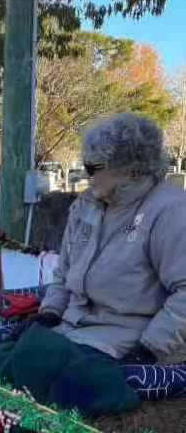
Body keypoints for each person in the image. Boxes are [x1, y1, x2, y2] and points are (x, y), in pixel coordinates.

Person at [37, 113, 186, 363]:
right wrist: (50, 312)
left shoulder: (169, 212)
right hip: (75, 326)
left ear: (131, 170)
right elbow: (63, 272)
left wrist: (149, 349)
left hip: (131, 337)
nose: (86, 176)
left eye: (92, 168)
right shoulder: (85, 206)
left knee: (55, 376)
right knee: (5, 359)